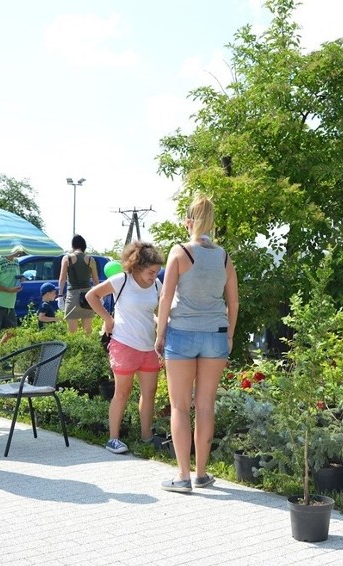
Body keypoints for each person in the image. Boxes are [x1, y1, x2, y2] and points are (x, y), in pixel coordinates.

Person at [154, 195, 239, 492]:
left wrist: (160, 332)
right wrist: (229, 335)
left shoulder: (179, 252)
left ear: (188, 222)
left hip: (182, 333)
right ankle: (202, 474)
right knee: (205, 406)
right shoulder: (224, 256)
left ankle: (182, 476)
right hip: (215, 334)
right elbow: (233, 301)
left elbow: (165, 297)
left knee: (179, 407)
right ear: (212, 223)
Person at [85, 241, 164, 455]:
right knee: (122, 392)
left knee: (149, 393)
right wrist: (107, 319)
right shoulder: (122, 280)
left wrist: (159, 323)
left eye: (157, 271)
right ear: (138, 266)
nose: (154, 275)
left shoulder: (157, 284)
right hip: (124, 344)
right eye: (151, 271)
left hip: (148, 347)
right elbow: (91, 296)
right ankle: (113, 439)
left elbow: (158, 309)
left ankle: (146, 437)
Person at [57, 235, 99, 334]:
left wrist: (59, 296)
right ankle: (88, 348)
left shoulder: (66, 258)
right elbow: (95, 279)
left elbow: (62, 278)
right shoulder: (90, 259)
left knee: (72, 332)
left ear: (73, 245)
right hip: (87, 295)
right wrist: (99, 295)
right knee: (88, 331)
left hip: (72, 295)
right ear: (84, 246)